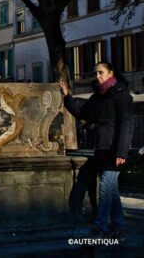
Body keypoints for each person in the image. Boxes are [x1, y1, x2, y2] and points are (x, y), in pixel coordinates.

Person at [60, 61, 134, 238]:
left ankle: (100, 226)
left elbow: (127, 125)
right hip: (100, 149)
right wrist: (67, 96)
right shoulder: (97, 98)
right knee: (112, 191)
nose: (98, 76)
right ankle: (118, 227)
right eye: (96, 73)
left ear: (111, 73)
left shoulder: (123, 96)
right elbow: (81, 114)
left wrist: (122, 153)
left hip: (115, 151)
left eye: (101, 72)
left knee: (105, 188)